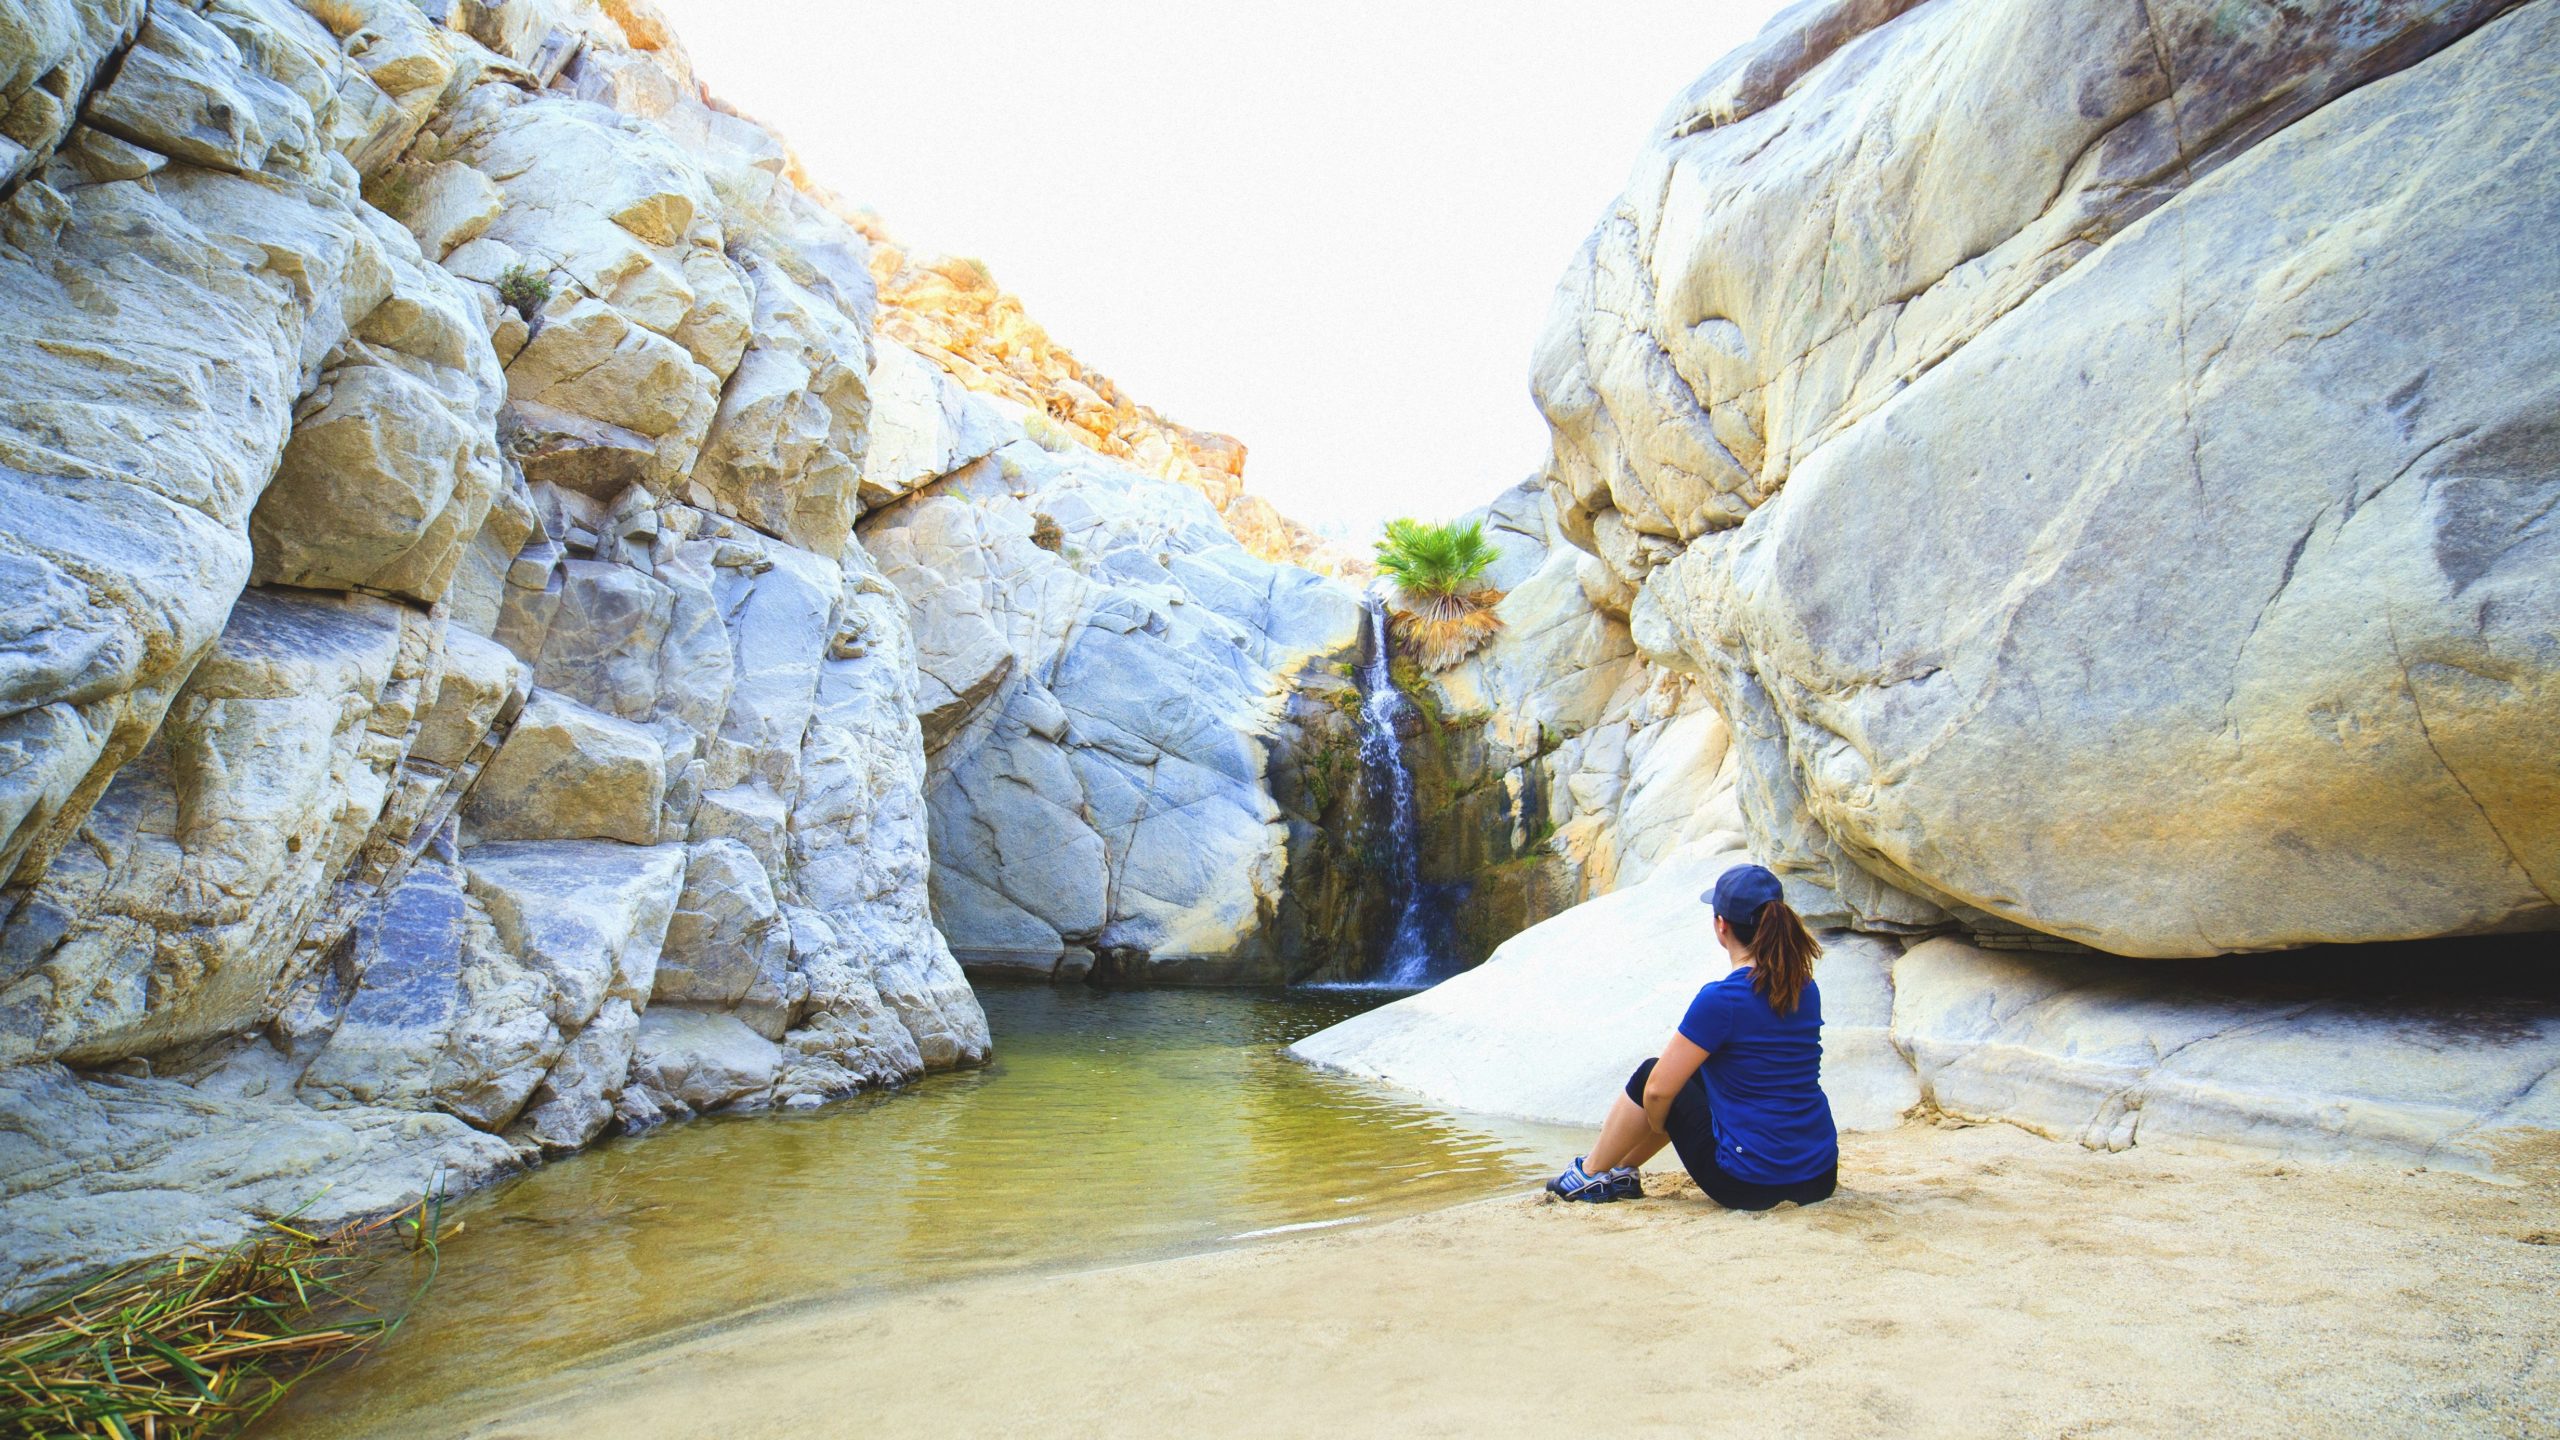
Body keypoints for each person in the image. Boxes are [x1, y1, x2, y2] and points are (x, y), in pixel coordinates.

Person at [1546, 862, 1839, 1209]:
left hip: (1750, 1184)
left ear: (1721, 925)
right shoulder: (1805, 986)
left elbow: (1655, 1091)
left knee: (1650, 1076)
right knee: (1697, 1072)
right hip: (1818, 1176)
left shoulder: (1722, 999)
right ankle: (1623, 1169)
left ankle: (1589, 1172)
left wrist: (1660, 1123)